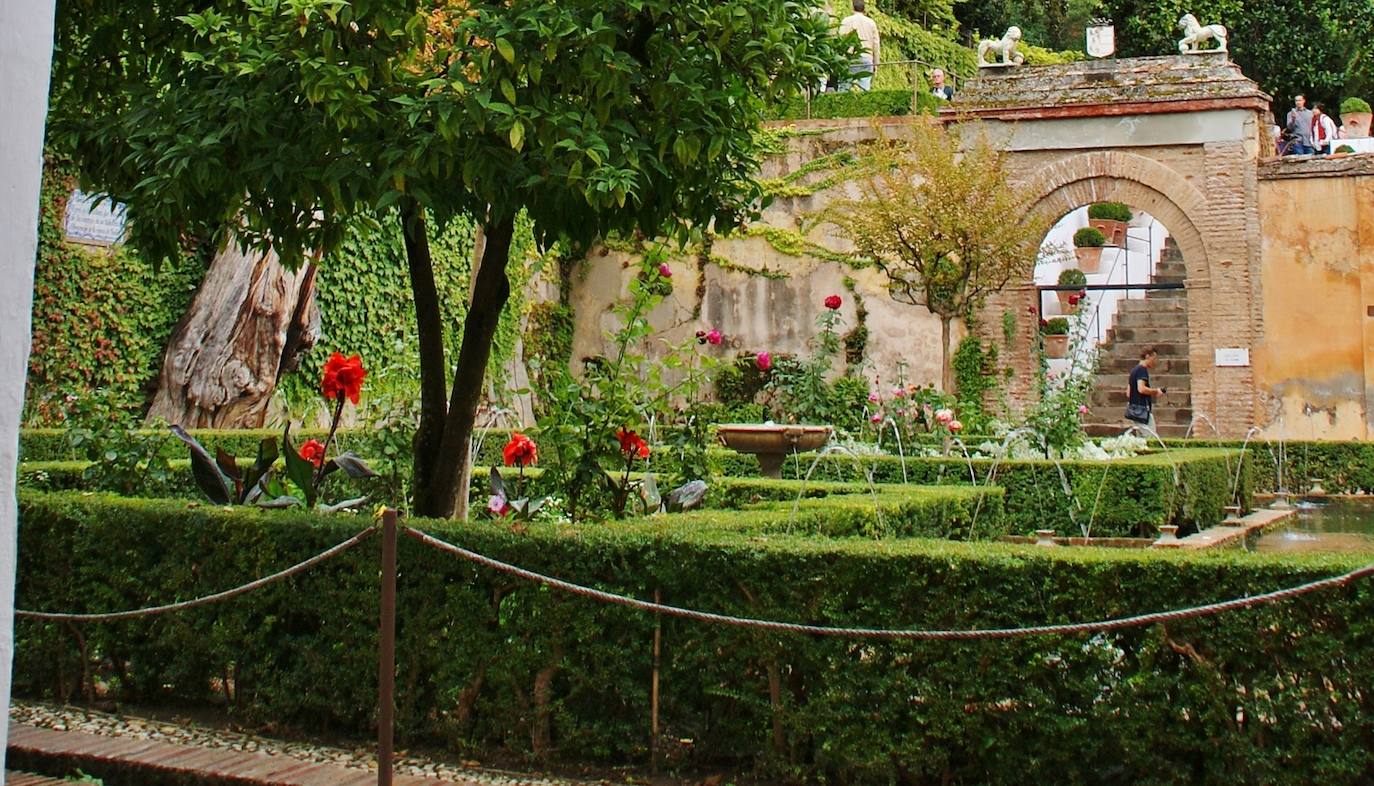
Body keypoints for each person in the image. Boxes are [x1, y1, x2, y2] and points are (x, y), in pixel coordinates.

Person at [838, 0, 879, 91]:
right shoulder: (871, 23)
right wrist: (876, 63)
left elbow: (840, 40)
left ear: (852, 8)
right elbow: (876, 44)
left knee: (844, 86)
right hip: (867, 58)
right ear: (864, 9)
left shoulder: (846, 21)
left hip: (850, 58)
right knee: (865, 88)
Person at [1125, 347, 1166, 432]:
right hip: (1142, 411)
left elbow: (1128, 393)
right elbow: (1141, 389)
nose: (1155, 361)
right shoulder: (1142, 370)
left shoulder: (1134, 370)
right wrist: (1156, 391)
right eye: (1154, 358)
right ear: (1147, 356)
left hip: (1134, 411)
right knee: (1151, 437)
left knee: (1141, 440)